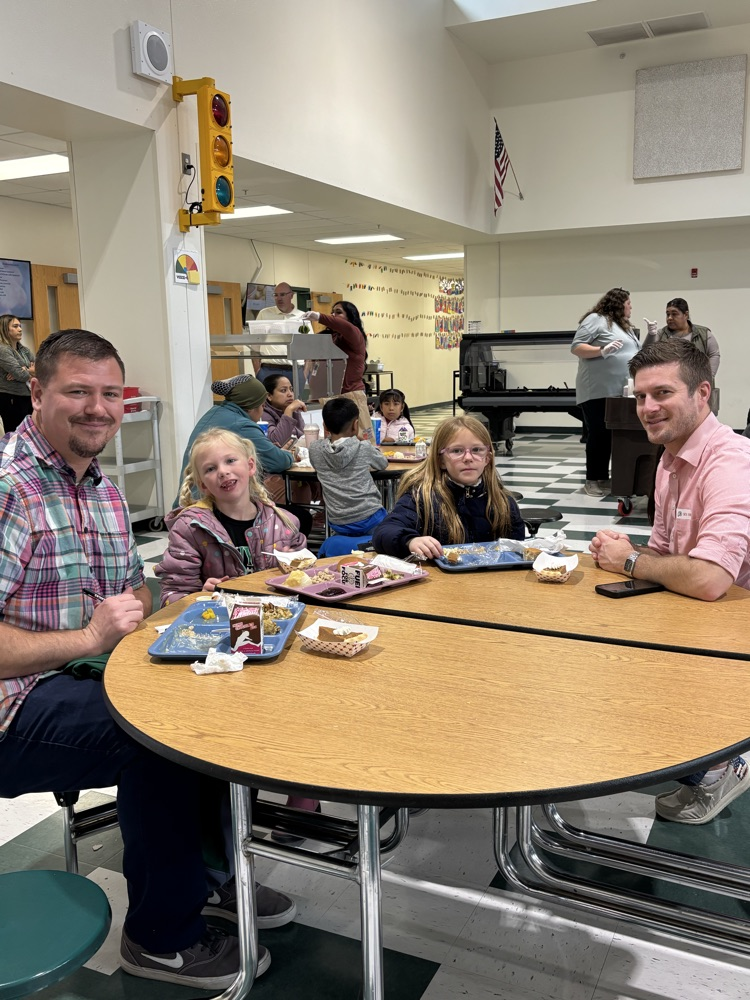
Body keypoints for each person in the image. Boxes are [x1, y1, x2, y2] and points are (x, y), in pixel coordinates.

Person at [0, 329, 292, 988]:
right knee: (158, 737)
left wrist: (186, 607)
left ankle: (209, 881)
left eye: (109, 393)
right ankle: (162, 937)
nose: (97, 408)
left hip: (80, 675)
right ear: (37, 391)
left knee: (215, 706)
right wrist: (88, 638)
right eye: (77, 391)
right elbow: (100, 628)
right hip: (14, 704)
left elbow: (133, 593)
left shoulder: (99, 487)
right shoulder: (8, 486)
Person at [590, 339, 750, 825]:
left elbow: (709, 579)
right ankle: (695, 752)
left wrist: (629, 563)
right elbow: (665, 552)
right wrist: (626, 553)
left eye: (662, 393)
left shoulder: (731, 463)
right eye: (640, 396)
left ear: (703, 393)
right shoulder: (668, 459)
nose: (647, 408)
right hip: (700, 611)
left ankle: (731, 759)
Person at [156, 429, 306, 604]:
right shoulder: (190, 529)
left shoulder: (284, 524)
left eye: (230, 460)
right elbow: (173, 594)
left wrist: (294, 571)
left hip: (279, 621)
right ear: (203, 485)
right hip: (219, 625)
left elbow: (307, 585)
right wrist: (201, 596)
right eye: (211, 468)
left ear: (250, 466)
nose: (223, 471)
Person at [177, 374, 312, 536]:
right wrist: (287, 454)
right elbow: (278, 461)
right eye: (262, 405)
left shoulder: (215, 413)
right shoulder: (242, 425)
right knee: (300, 518)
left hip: (189, 505)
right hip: (213, 508)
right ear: (252, 407)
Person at [372, 415, 524, 559]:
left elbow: (517, 551)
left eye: (477, 450)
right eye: (457, 451)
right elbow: (384, 532)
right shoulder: (422, 497)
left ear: (487, 459)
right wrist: (410, 541)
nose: (468, 458)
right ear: (441, 461)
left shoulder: (503, 502)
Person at [571, 287, 640, 498]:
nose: (631, 308)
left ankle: (603, 477)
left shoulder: (622, 326)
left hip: (619, 391)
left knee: (610, 435)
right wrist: (601, 351)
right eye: (629, 304)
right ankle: (592, 480)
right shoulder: (596, 319)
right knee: (598, 433)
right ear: (619, 303)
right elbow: (576, 346)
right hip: (597, 390)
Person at [309, 396, 388, 556]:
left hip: (339, 521)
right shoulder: (363, 448)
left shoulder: (315, 450)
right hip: (370, 516)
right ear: (355, 425)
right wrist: (359, 440)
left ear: (325, 426)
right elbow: (382, 463)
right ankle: (372, 547)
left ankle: (343, 549)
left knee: (344, 544)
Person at [643, 298, 720, 377]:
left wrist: (709, 376)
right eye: (668, 314)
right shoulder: (661, 334)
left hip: (697, 381)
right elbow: (646, 353)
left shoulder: (704, 333)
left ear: (686, 315)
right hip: (668, 381)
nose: (669, 318)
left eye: (674, 314)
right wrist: (651, 335)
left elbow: (714, 354)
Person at [302, 301, 367, 394]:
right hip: (327, 393)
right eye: (332, 312)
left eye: (338, 312)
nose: (333, 315)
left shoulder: (355, 335)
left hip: (351, 393)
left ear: (350, 317)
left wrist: (319, 316)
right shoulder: (329, 336)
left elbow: (346, 327)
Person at [255, 281, 307, 383]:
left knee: (295, 399)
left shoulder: (303, 317)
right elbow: (255, 344)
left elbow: (310, 347)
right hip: (268, 370)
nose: (279, 298)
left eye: (282, 294)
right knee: (268, 399)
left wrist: (304, 374)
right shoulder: (264, 314)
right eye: (276, 295)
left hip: (295, 370)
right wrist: (258, 371)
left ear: (291, 295)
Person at [0, 314, 35, 433]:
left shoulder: (24, 349)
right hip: (11, 398)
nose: (20, 329)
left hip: (27, 396)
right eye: (15, 326)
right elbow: (21, 375)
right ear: (5, 329)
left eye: (20, 326)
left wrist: (26, 371)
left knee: (29, 433)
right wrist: (28, 372)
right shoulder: (3, 349)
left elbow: (39, 369)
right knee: (15, 435)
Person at [262, 373, 307, 447]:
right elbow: (278, 441)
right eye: (283, 390)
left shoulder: (292, 409)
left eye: (291, 389)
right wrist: (289, 411)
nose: (290, 394)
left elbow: (302, 435)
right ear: (269, 396)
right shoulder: (264, 413)